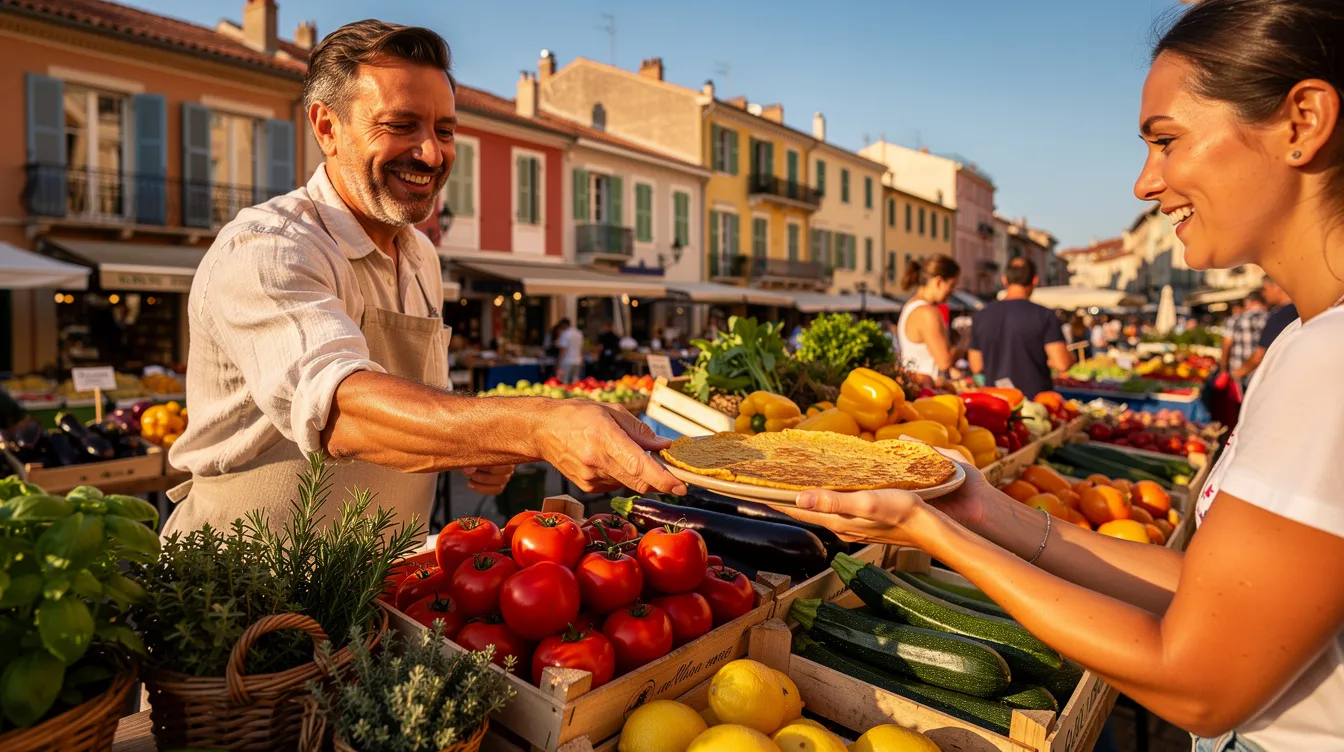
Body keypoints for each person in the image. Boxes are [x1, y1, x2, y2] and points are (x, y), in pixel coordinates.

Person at [782, 3, 1344, 748]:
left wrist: (924, 528)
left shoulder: (1328, 359)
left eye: (1167, 141)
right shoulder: (1309, 341)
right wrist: (986, 512)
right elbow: (1210, 593)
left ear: (1303, 121)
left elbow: (1198, 684)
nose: (1146, 182)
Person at [166, 21, 683, 537]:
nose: (433, 154)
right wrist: (537, 426)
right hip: (240, 577)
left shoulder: (421, 257)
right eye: (401, 125)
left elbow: (421, 408)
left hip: (388, 573)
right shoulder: (269, 247)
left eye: (445, 131)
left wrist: (482, 444)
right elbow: (340, 412)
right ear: (327, 127)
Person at [968, 257, 1073, 397]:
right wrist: (1071, 358)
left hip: (996, 401)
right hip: (1035, 400)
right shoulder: (1044, 316)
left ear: (1004, 280)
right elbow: (1062, 364)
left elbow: (976, 366)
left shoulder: (981, 316)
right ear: (1035, 280)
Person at [896, 255, 962, 380]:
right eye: (952, 285)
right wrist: (965, 342)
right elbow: (944, 362)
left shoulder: (911, 305)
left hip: (916, 383)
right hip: (927, 386)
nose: (952, 291)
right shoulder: (927, 312)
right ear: (938, 281)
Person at [1238, 277, 1297, 379]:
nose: (1263, 294)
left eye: (1265, 289)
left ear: (1278, 286)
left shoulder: (1279, 317)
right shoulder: (1300, 309)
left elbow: (1259, 356)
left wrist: (1237, 373)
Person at [1223, 291, 1268, 382]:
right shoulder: (1271, 318)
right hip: (1264, 371)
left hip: (1239, 370)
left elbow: (1226, 344)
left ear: (1249, 302)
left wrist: (1223, 369)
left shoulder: (1235, 320)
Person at [556, 317, 584, 383]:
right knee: (575, 381)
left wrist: (559, 363)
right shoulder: (579, 333)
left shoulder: (565, 333)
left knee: (565, 381)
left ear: (564, 325)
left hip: (567, 361)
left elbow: (563, 349)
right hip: (577, 360)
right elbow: (581, 348)